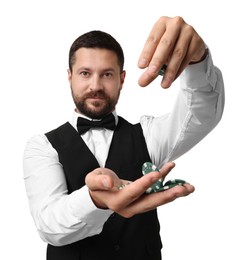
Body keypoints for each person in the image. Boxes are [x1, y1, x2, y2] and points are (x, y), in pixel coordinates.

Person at [23, 16, 225, 260]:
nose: (95, 85)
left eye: (107, 74)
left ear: (122, 78)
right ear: (70, 76)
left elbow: (202, 114)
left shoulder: (149, 136)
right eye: (85, 73)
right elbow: (49, 226)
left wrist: (197, 61)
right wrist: (94, 199)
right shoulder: (42, 146)